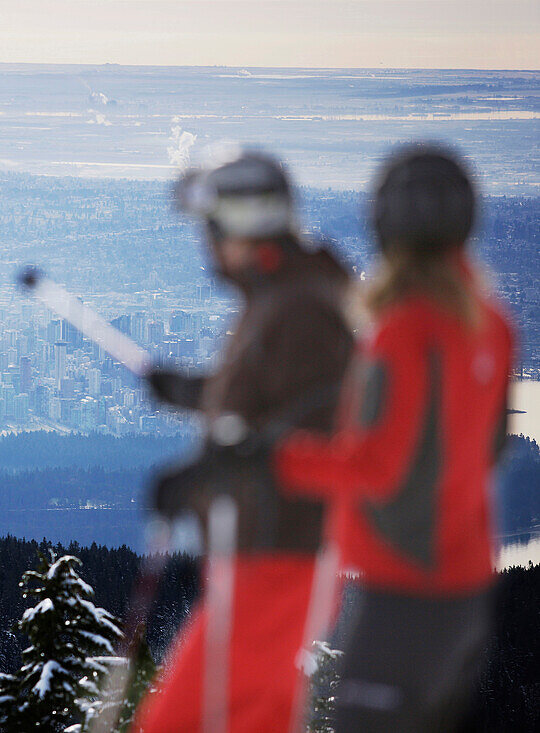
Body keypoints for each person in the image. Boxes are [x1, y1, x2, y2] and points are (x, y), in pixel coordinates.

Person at [273, 144, 514, 731]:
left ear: (384, 226)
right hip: (464, 589)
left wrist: (276, 461)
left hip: (403, 587)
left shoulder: (403, 327)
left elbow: (376, 466)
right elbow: (492, 446)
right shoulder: (490, 322)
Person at [132, 149, 354, 732]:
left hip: (276, 562)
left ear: (241, 224)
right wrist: (189, 391)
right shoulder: (283, 299)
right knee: (257, 719)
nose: (205, 243)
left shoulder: (301, 308)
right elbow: (272, 403)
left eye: (211, 227)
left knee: (176, 722)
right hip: (270, 554)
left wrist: (211, 472)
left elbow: (321, 434)